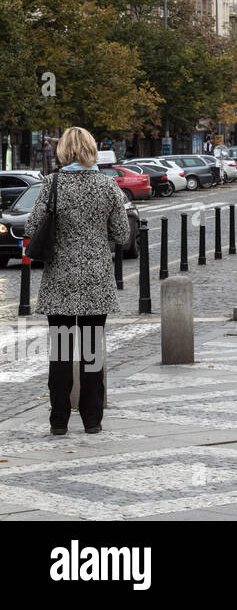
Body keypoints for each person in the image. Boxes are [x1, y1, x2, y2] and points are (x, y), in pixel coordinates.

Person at [26, 126, 131, 436]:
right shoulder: (107, 185)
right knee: (91, 353)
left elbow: (32, 225)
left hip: (59, 278)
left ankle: (58, 421)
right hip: (96, 279)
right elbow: (123, 235)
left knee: (60, 353)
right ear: (91, 150)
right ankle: (92, 420)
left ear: (63, 151)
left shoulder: (51, 184)